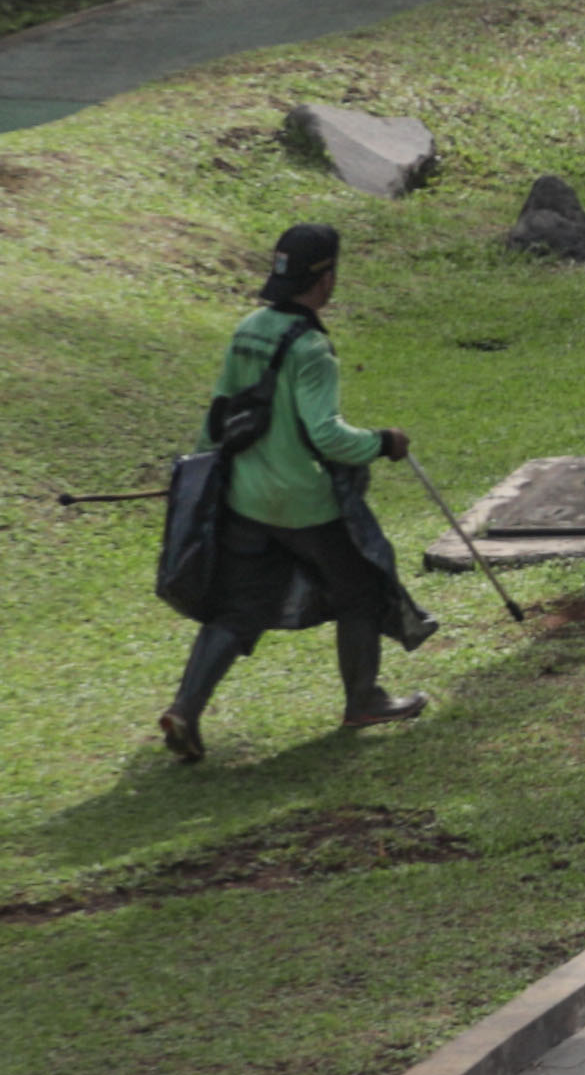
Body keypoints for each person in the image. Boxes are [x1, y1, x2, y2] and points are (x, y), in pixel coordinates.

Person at [159, 220, 440, 758]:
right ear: (325, 277)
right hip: (302, 504)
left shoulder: (249, 328)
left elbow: (218, 417)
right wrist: (384, 442)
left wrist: (203, 479)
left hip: (243, 498)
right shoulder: (311, 348)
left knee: (238, 607)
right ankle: (364, 699)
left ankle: (185, 711)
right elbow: (326, 436)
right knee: (360, 585)